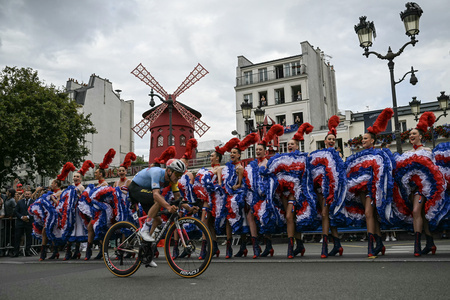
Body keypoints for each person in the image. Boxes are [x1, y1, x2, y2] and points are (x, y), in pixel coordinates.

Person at [394, 112, 446, 256]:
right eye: (410, 134)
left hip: (426, 190)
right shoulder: (406, 154)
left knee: (417, 212)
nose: (411, 136)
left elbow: (434, 171)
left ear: (420, 136)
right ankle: (430, 243)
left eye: (414, 133)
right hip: (412, 190)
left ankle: (417, 246)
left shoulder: (427, 151)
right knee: (421, 215)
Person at [344, 108, 395, 257]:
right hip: (361, 190)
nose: (363, 140)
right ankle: (379, 243)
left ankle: (371, 246)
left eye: (365, 138)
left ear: (372, 140)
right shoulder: (358, 155)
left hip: (372, 190)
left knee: (368, 214)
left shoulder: (378, 153)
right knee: (371, 216)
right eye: (362, 138)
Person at [266, 122, 315, 258]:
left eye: (292, 144)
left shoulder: (303, 158)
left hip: (297, 194)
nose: (289, 146)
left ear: (298, 146)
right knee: (292, 219)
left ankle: (290, 247)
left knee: (289, 217)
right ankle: (299, 245)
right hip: (284, 194)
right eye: (288, 144)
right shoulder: (282, 159)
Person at [134, 158, 187, 267]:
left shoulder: (172, 181)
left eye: (180, 175)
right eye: (177, 173)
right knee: (159, 200)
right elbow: (156, 195)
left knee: (157, 221)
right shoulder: (157, 173)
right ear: (169, 171)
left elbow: (178, 197)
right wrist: (168, 207)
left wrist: (190, 208)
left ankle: (146, 249)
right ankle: (144, 230)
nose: (178, 177)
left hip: (147, 192)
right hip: (137, 188)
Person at [309, 115, 346, 258]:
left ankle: (324, 247)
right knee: (327, 216)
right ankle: (337, 244)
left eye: (333, 139)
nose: (331, 141)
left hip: (331, 190)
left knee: (325, 214)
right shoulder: (318, 154)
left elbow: (339, 172)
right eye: (329, 139)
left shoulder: (338, 154)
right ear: (325, 141)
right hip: (319, 189)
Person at [246, 124, 284, 258]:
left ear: (265, 152)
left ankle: (268, 246)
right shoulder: (253, 164)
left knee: (265, 219)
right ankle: (256, 247)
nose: (258, 152)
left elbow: (273, 178)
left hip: (266, 197)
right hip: (255, 196)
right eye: (256, 150)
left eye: (260, 150)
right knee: (250, 217)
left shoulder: (268, 162)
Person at [62, 160, 94, 260]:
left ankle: (78, 251)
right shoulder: (71, 187)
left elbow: (77, 196)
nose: (75, 178)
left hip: (78, 211)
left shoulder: (81, 187)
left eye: (77, 177)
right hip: (71, 211)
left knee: (78, 230)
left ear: (80, 179)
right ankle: (71, 252)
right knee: (71, 230)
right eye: (74, 176)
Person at [13, 190, 34, 257]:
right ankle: (16, 252)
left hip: (28, 222)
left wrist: (28, 217)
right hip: (20, 222)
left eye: (28, 194)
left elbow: (35, 211)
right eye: (26, 194)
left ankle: (27, 251)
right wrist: (21, 217)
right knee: (17, 237)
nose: (27, 195)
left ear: (31, 195)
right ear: (24, 194)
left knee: (28, 237)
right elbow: (16, 211)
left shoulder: (33, 202)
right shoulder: (20, 202)